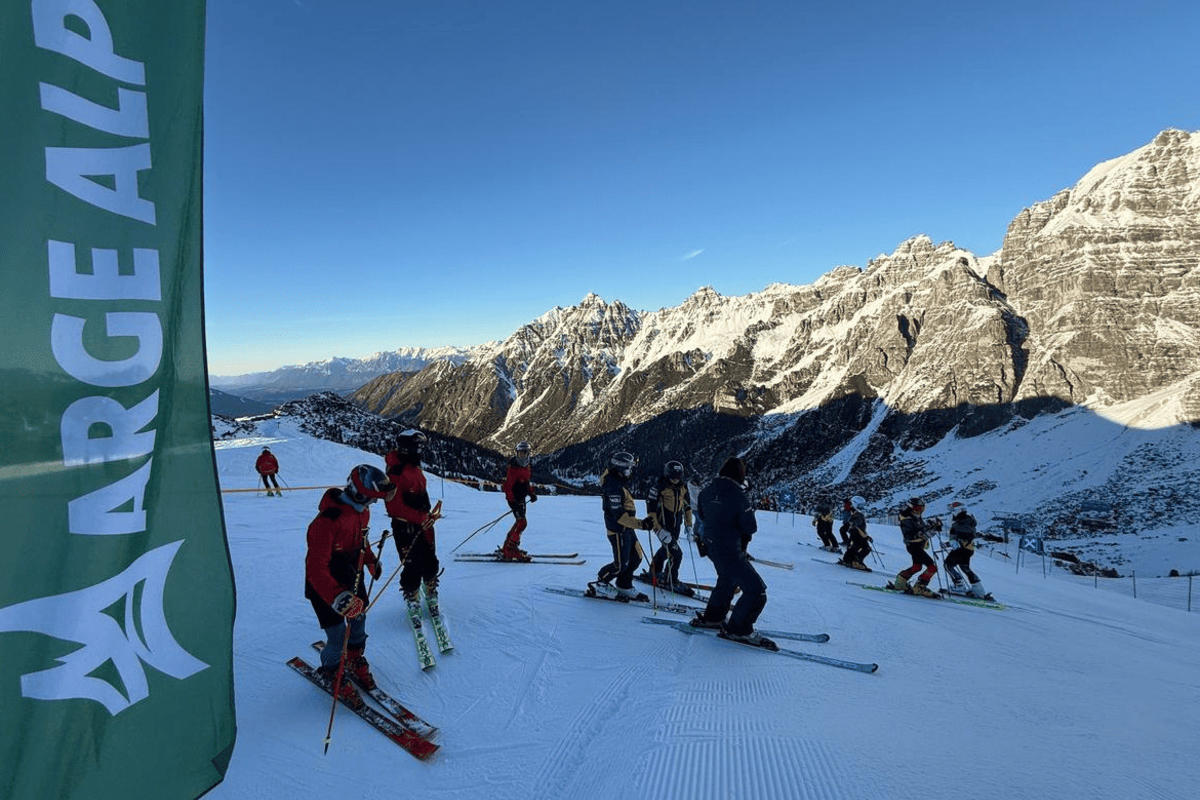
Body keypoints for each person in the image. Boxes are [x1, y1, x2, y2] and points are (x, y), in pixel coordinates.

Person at [304, 464, 393, 706]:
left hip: (351, 575)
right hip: (324, 585)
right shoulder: (326, 522)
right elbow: (315, 569)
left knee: (359, 620)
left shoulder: (362, 511)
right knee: (336, 636)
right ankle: (331, 671)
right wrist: (336, 596)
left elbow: (361, 541)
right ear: (359, 492)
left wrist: (371, 561)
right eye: (371, 498)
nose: (373, 504)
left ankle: (353, 658)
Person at [693, 457, 772, 647]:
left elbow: (702, 515)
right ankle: (739, 629)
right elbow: (750, 527)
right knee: (756, 590)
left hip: (711, 546)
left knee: (726, 579)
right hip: (730, 549)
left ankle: (714, 616)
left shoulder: (706, 491)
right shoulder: (738, 496)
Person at [384, 430, 442, 614]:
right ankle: (412, 594)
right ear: (409, 449)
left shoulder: (412, 466)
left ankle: (430, 587)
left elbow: (418, 492)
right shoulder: (396, 472)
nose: (421, 451)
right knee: (412, 564)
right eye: (418, 448)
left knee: (430, 560)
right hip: (405, 527)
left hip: (423, 523)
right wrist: (421, 517)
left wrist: (426, 515)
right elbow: (394, 507)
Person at [589, 451, 656, 601]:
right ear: (619, 468)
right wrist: (642, 524)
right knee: (620, 565)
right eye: (628, 468)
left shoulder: (618, 481)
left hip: (628, 529)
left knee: (636, 558)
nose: (630, 471)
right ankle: (600, 583)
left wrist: (638, 524)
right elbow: (619, 516)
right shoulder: (613, 486)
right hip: (618, 530)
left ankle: (624, 584)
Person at [647, 460, 695, 596]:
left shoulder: (683, 487)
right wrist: (658, 530)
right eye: (673, 476)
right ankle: (670, 580)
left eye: (678, 477)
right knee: (677, 554)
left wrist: (689, 526)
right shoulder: (658, 488)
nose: (675, 480)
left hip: (676, 526)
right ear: (667, 474)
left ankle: (654, 571)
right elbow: (651, 512)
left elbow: (687, 507)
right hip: (663, 527)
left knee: (666, 550)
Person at [944, 502, 993, 600]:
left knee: (948, 564)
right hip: (968, 549)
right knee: (965, 568)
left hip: (962, 548)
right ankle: (979, 590)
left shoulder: (962, 522)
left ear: (958, 511)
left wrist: (949, 543)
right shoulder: (967, 520)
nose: (952, 514)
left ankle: (959, 586)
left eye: (953, 511)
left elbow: (964, 536)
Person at [498, 441, 538, 561]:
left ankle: (508, 546)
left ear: (528, 454)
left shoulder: (526, 467)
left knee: (519, 523)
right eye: (520, 453)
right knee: (522, 523)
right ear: (516, 453)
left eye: (524, 453)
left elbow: (526, 482)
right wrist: (513, 502)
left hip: (521, 499)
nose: (522, 456)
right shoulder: (513, 468)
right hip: (514, 499)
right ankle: (511, 549)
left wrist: (531, 493)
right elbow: (508, 487)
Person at [891, 497, 938, 597]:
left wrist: (931, 526)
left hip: (918, 546)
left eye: (921, 508)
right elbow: (910, 535)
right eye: (917, 508)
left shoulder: (915, 516)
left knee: (917, 567)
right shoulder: (907, 519)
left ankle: (900, 582)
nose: (920, 510)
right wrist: (928, 533)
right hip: (914, 546)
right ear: (911, 508)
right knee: (932, 567)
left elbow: (921, 528)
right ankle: (919, 587)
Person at [837, 496, 872, 570]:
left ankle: (848, 560)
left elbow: (857, 525)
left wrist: (866, 536)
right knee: (865, 548)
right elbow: (856, 523)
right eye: (860, 505)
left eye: (863, 505)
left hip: (857, 534)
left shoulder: (856, 512)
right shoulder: (858, 514)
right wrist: (865, 536)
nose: (862, 507)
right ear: (855, 504)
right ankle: (856, 562)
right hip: (857, 535)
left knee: (856, 548)